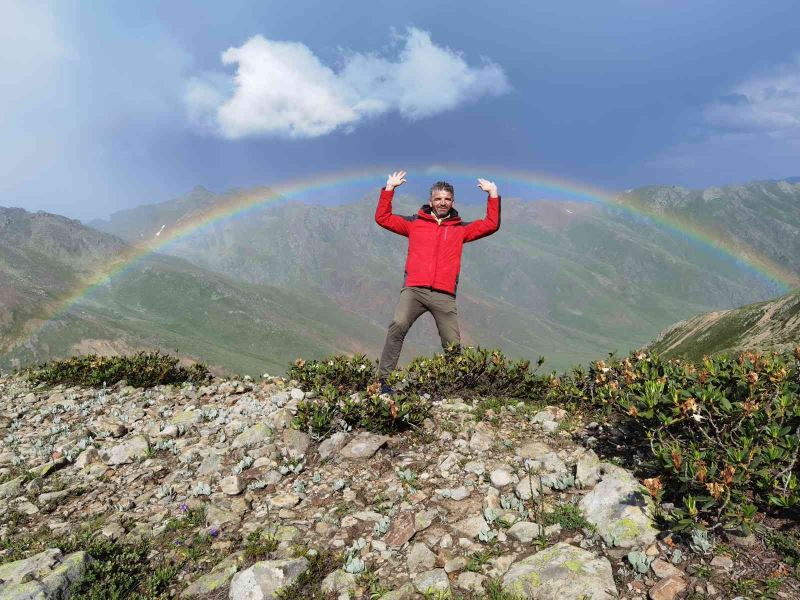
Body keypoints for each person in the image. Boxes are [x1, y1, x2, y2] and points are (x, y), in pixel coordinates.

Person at [374, 170, 501, 393]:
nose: (442, 202)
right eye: (438, 198)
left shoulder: (460, 229)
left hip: (444, 295)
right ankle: (384, 382)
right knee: (398, 325)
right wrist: (389, 189)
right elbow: (383, 218)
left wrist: (493, 194)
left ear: (452, 201)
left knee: (452, 344)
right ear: (430, 201)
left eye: (447, 199)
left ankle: (457, 387)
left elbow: (491, 224)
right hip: (414, 290)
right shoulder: (414, 224)